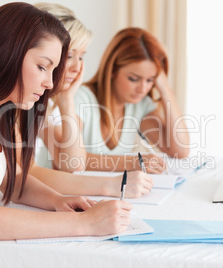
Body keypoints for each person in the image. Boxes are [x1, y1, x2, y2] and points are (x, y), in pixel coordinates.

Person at [0, 3, 131, 267]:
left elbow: (11, 181)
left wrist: (58, 201)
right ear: (7, 53)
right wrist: (83, 223)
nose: (50, 83)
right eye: (42, 67)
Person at [23, 3, 153, 199]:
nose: (77, 67)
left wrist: (66, 100)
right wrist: (114, 183)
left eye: (82, 57)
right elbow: (69, 164)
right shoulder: (27, 101)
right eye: (69, 56)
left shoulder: (48, 104)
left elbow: (72, 164)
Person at [40, 27, 190, 174]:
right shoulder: (79, 98)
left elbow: (180, 150)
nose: (142, 88)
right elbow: (70, 160)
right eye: (134, 79)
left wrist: (165, 89)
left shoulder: (139, 105)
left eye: (150, 80)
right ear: (112, 70)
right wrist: (133, 162)